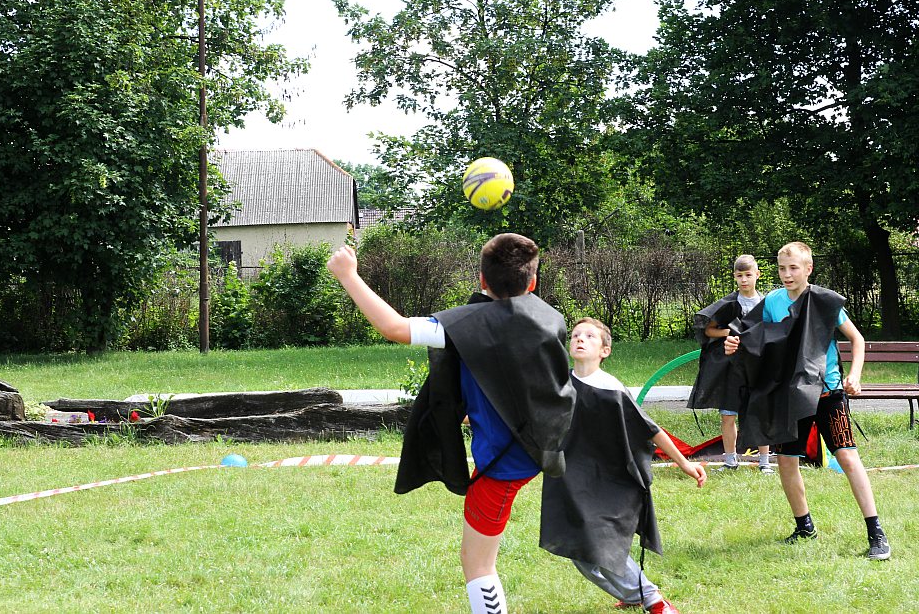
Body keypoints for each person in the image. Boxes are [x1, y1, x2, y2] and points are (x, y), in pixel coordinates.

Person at [328, 233, 577, 614]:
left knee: (477, 563)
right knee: (476, 558)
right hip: (538, 450)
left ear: (481, 280)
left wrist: (348, 275)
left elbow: (394, 327)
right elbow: (511, 372)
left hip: (504, 467)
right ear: (533, 282)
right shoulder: (549, 317)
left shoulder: (464, 325)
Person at [725, 241, 891, 560]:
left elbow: (857, 339)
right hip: (791, 395)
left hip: (828, 392)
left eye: (794, 268)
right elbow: (753, 336)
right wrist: (735, 344)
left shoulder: (825, 301)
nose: (787, 275)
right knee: (786, 460)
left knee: (846, 456)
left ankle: (876, 533)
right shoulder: (772, 301)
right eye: (782, 269)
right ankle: (805, 527)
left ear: (808, 269)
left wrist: (854, 375)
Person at [542, 317, 705, 613]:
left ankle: (653, 599)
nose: (579, 339)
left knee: (601, 546)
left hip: (609, 481)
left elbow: (650, 430)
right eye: (576, 335)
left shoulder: (611, 389)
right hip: (569, 480)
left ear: (605, 351)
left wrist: (684, 463)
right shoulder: (559, 384)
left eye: (590, 336)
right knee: (579, 552)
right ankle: (634, 596)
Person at [689, 255, 774, 474]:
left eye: (748, 275)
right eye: (739, 276)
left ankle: (765, 462)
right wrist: (730, 332)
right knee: (728, 414)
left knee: (759, 413)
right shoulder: (728, 304)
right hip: (731, 368)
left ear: (758, 275)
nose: (744, 280)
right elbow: (709, 330)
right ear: (734, 277)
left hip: (759, 366)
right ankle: (730, 461)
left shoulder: (768, 304)